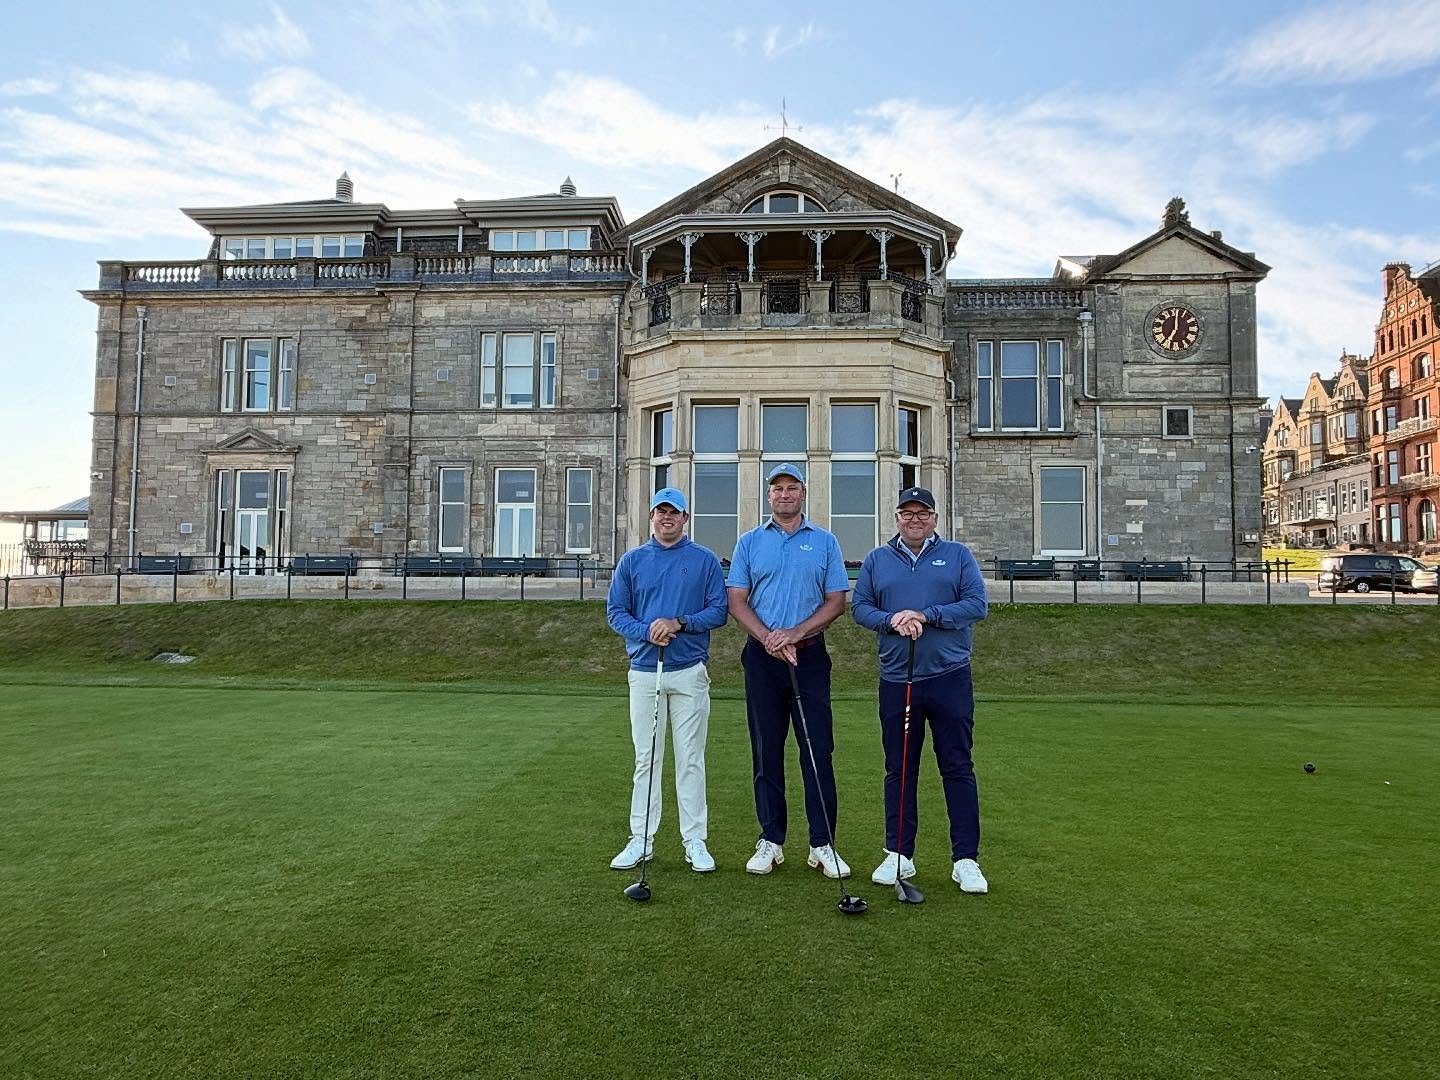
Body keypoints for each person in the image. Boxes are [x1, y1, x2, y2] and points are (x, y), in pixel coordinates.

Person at [851, 486, 991, 894]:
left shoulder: (958, 555)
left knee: (957, 767)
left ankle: (965, 859)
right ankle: (899, 854)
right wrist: (892, 619)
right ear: (896, 518)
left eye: (922, 513)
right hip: (899, 679)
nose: (914, 519)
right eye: (906, 513)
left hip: (949, 676)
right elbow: (861, 608)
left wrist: (926, 615)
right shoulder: (878, 560)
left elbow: (976, 605)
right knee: (900, 769)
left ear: (934, 518)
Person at [726, 463, 852, 878]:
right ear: (768, 496)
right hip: (762, 659)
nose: (784, 494)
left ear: (803, 493)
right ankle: (771, 839)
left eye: (791, 487)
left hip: (810, 656)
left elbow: (836, 600)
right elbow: (738, 601)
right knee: (766, 750)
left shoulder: (825, 542)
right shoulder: (749, 542)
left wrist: (794, 634)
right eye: (777, 488)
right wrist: (769, 639)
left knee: (818, 750)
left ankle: (823, 844)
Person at [606, 487, 728, 873]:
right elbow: (616, 613)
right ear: (652, 516)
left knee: (691, 759)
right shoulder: (632, 561)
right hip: (644, 671)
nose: (666, 518)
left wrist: (680, 623)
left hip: (689, 671)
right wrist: (647, 631)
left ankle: (695, 840)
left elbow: (719, 611)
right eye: (661, 512)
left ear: (685, 518)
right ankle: (641, 839)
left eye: (674, 512)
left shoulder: (704, 560)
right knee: (647, 758)